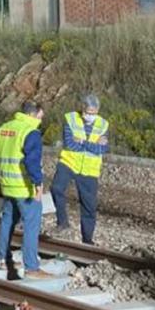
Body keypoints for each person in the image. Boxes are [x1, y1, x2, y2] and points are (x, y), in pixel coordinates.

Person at [0, 102, 50, 279]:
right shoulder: (30, 132)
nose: (41, 121)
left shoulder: (4, 129)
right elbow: (31, 161)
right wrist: (38, 184)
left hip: (7, 184)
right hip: (24, 188)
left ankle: (3, 259)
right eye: (41, 117)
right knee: (32, 224)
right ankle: (31, 267)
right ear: (34, 114)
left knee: (8, 220)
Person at [50, 94, 110, 244]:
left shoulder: (103, 124)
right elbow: (70, 144)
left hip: (89, 170)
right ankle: (62, 222)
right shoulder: (70, 119)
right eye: (89, 112)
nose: (91, 116)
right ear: (83, 108)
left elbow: (101, 149)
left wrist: (83, 141)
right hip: (69, 163)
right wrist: (92, 144)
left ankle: (87, 240)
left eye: (94, 113)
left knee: (89, 206)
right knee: (56, 188)